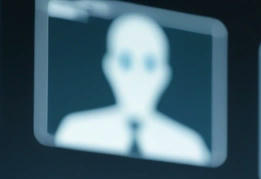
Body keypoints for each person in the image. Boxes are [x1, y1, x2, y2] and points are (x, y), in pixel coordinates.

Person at [55, 13, 210, 165]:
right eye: (126, 61)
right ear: (110, 67)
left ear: (163, 74)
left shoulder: (191, 147)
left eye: (149, 64)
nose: (138, 75)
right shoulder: (75, 132)